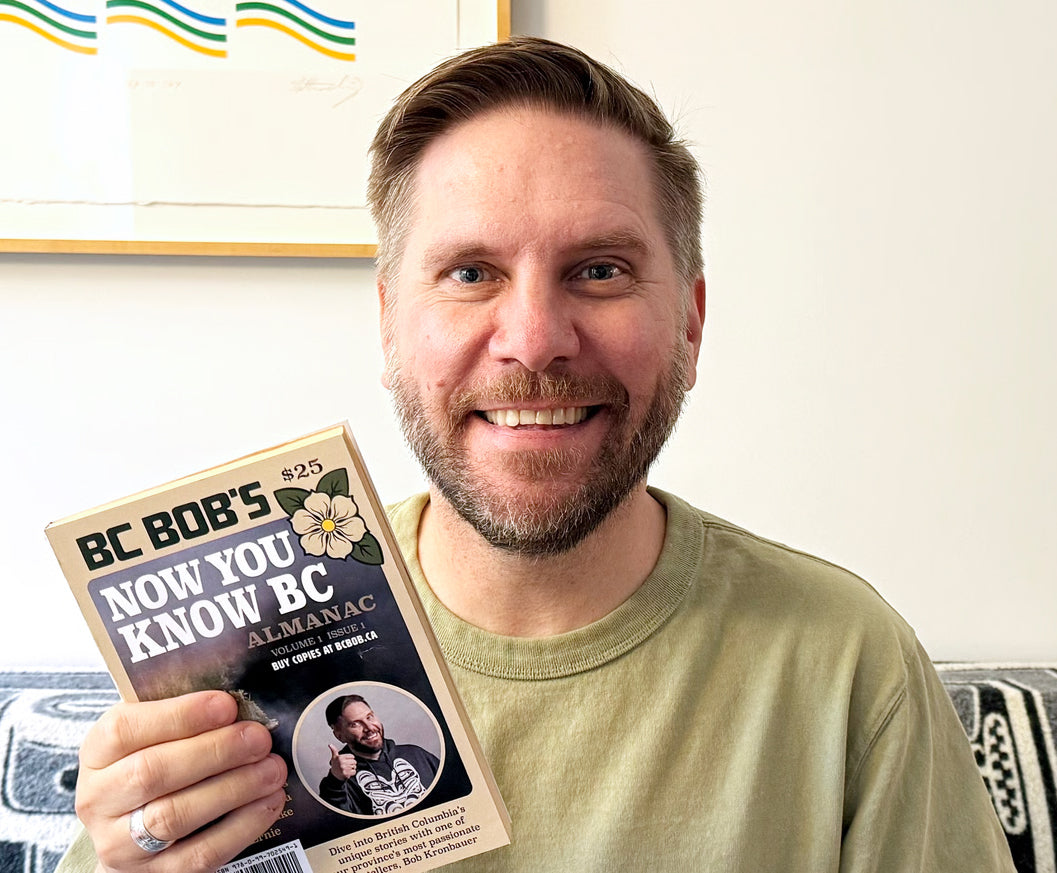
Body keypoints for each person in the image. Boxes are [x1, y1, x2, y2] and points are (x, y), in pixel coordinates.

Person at [58, 36, 1015, 873]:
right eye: (470, 272)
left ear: (689, 320)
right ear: (389, 324)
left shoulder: (846, 662)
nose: (533, 340)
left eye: (598, 270)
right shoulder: (235, 656)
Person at [318, 694, 439, 816]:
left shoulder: (416, 755)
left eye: (369, 717)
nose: (369, 728)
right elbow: (337, 821)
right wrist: (335, 781)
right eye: (355, 724)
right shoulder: (342, 781)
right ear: (339, 736)